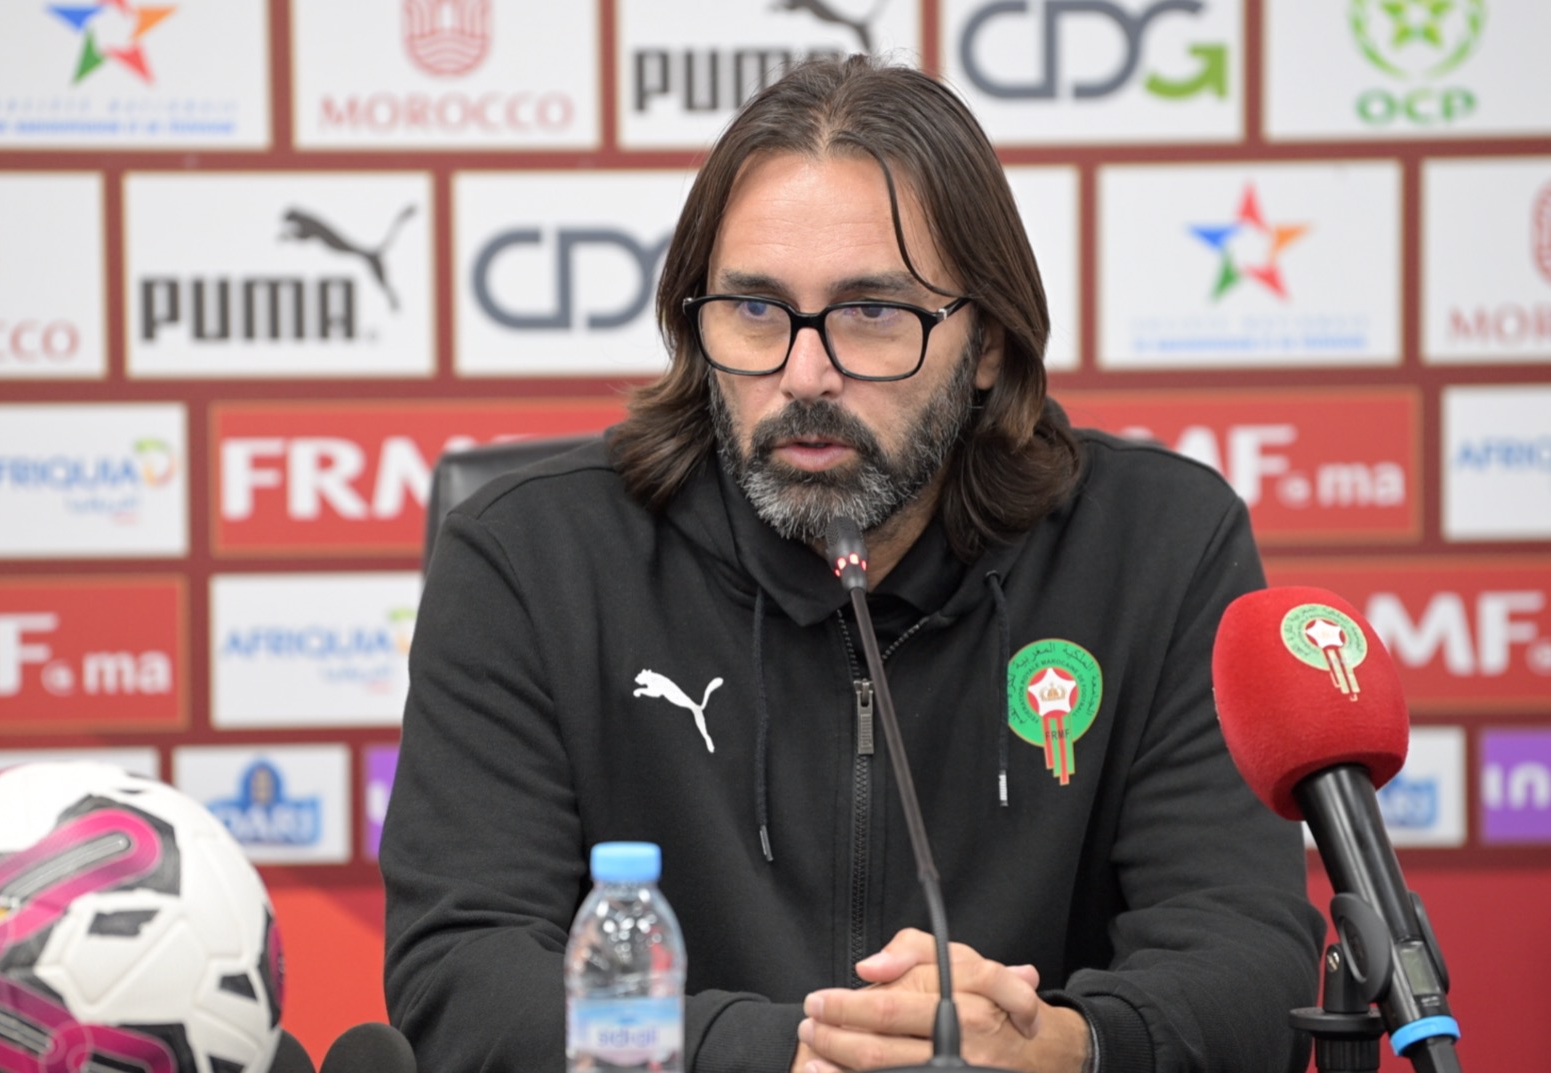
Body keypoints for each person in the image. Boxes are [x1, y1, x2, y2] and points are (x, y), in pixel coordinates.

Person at [382, 55, 1323, 1073]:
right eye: (752, 309)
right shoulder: (531, 559)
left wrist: (1067, 1045)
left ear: (991, 342)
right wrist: (779, 1053)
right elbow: (463, 970)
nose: (803, 373)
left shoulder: (1159, 547)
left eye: (873, 312)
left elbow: (1245, 953)